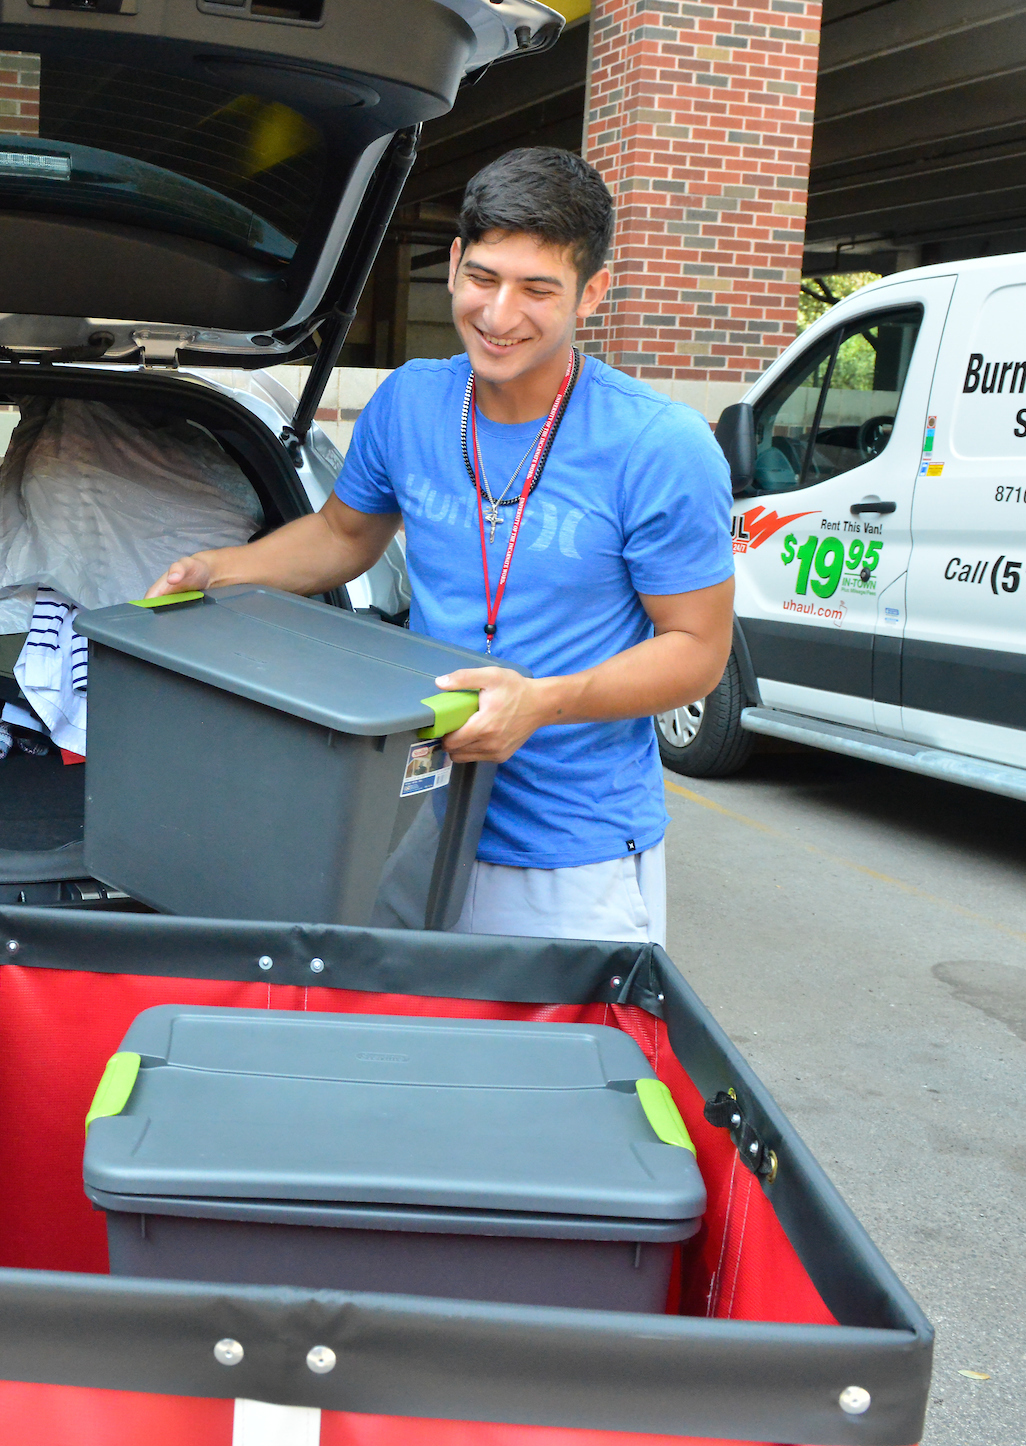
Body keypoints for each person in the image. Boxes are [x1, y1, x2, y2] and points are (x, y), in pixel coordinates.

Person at [150, 147, 734, 945]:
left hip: (569, 852)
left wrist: (542, 703)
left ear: (591, 293)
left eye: (538, 290)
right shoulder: (410, 401)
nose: (499, 316)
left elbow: (697, 650)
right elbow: (342, 536)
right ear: (454, 263)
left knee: (542, 1073)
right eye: (485, 277)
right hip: (412, 817)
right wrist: (220, 569)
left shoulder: (659, 445)